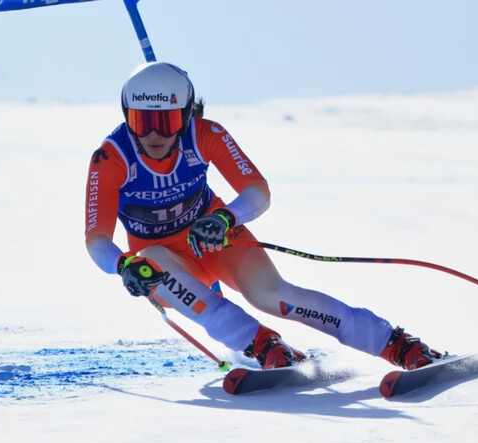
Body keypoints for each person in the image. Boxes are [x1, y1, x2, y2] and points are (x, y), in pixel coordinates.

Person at [84, 61, 442, 370]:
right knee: (152, 264)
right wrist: (123, 265)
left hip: (216, 242)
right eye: (141, 120)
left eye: (166, 121)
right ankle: (266, 348)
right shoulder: (111, 157)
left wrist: (225, 218)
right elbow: (97, 239)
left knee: (274, 296)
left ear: (186, 114)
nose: (152, 133)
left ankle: (398, 345)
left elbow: (258, 190)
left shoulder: (206, 134)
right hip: (165, 261)